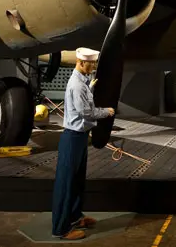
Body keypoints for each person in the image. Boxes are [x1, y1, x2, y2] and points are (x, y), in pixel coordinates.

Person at [52, 47, 115, 240]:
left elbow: (84, 96)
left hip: (79, 137)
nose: (94, 66)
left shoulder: (83, 82)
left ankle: (74, 217)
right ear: (81, 63)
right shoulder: (77, 86)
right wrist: (107, 112)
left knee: (78, 180)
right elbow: (86, 113)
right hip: (72, 137)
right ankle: (61, 229)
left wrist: (91, 86)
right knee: (67, 183)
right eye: (91, 63)